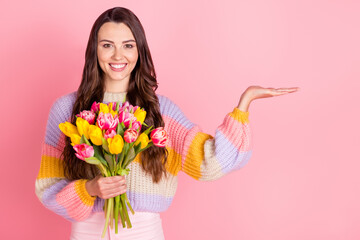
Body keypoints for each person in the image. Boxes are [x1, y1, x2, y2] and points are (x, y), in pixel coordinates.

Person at [35, 7, 299, 240]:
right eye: (107, 45)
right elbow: (48, 188)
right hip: (88, 233)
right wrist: (90, 188)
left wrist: (244, 104)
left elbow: (209, 162)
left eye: (128, 45)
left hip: (144, 233)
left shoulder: (161, 112)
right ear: (94, 50)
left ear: (140, 50)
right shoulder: (67, 110)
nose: (118, 55)